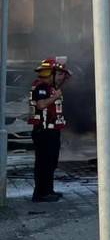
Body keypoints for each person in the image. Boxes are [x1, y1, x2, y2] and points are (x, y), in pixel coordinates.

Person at [28, 58, 69, 203]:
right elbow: (41, 105)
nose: (61, 78)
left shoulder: (48, 87)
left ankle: (48, 191)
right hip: (44, 132)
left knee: (51, 162)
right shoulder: (42, 87)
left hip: (51, 131)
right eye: (58, 74)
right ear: (50, 74)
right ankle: (41, 194)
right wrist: (55, 97)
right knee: (43, 163)